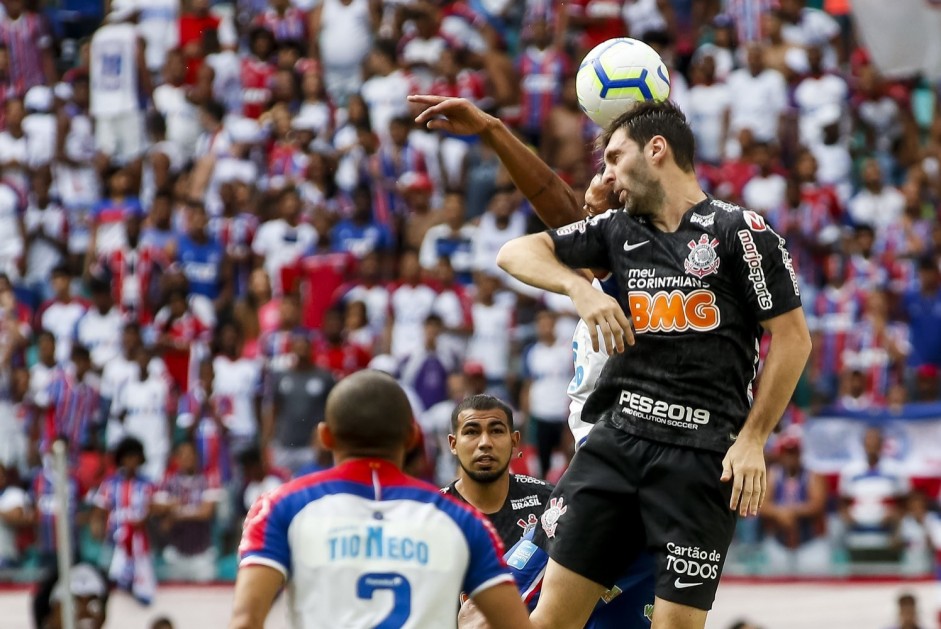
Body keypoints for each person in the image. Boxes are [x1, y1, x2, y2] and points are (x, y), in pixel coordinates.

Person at [496, 100, 811, 628]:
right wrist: (580, 289)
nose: (609, 175)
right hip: (616, 444)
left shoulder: (742, 231)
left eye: (615, 158)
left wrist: (754, 438)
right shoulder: (618, 231)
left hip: (701, 459)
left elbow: (793, 339)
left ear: (656, 149)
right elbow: (515, 251)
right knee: (548, 622)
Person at [230, 370, 532, 629]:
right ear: (413, 437)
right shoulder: (463, 521)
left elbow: (245, 621)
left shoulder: (280, 508)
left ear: (325, 437)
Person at [444, 394, 655, 628]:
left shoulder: (550, 500)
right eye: (472, 431)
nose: (485, 442)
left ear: (515, 442)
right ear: (453, 444)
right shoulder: (432, 515)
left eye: (496, 431)